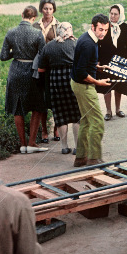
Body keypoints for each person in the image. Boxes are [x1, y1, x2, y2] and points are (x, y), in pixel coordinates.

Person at [0, 6, 48, 154]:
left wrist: (15, 52)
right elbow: (43, 55)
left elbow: (3, 56)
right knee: (37, 106)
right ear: (34, 18)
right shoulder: (37, 33)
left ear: (22, 15)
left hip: (15, 72)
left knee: (17, 108)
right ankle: (32, 142)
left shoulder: (11, 32)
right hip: (31, 73)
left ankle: (22, 144)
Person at [71, 13, 111, 167]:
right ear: (93, 26)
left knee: (86, 121)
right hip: (84, 86)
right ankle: (94, 159)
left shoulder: (87, 38)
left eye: (106, 30)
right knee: (97, 122)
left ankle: (81, 158)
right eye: (100, 29)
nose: (103, 33)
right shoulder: (88, 44)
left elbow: (84, 63)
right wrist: (98, 82)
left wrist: (98, 66)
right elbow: (82, 72)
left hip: (77, 84)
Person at [37, 22, 81, 155]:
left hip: (55, 82)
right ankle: (78, 147)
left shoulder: (49, 46)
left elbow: (41, 69)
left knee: (60, 115)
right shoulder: (76, 44)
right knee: (77, 115)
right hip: (73, 80)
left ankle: (64, 146)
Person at [99, 3, 127, 119]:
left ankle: (118, 109)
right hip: (106, 61)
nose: (112, 16)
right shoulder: (104, 27)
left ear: (120, 15)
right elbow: (99, 44)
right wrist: (99, 61)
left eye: (115, 14)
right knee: (107, 86)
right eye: (111, 13)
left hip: (120, 62)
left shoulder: (125, 28)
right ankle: (108, 111)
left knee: (118, 85)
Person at [33, 0, 59, 143]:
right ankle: (44, 130)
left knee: (54, 99)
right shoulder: (36, 26)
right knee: (42, 99)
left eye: (50, 8)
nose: (48, 11)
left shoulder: (58, 25)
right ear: (41, 9)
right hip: (39, 67)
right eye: (45, 8)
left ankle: (56, 128)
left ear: (53, 9)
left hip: (53, 66)